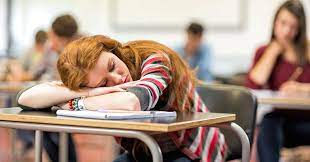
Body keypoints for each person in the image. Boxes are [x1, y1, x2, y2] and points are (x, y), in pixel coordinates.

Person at [17, 35, 227, 162]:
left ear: (111, 48)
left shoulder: (155, 58)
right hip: (146, 152)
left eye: (111, 66)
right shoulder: (89, 86)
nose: (117, 79)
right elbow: (26, 98)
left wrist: (74, 103)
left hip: (194, 151)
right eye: (103, 84)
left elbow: (132, 103)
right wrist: (86, 93)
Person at [245, 1, 310, 162]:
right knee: (268, 122)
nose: (287, 31)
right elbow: (252, 87)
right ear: (275, 23)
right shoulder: (264, 51)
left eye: (293, 27)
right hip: (280, 121)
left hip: (306, 121)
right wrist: (273, 51)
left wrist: (302, 89)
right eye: (283, 23)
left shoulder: (308, 52)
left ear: (300, 29)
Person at [16, 14, 79, 162]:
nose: (51, 40)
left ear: (62, 38)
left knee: (63, 134)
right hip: (48, 99)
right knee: (38, 127)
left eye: (53, 37)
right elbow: (35, 72)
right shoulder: (49, 49)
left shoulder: (79, 51)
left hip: (68, 100)